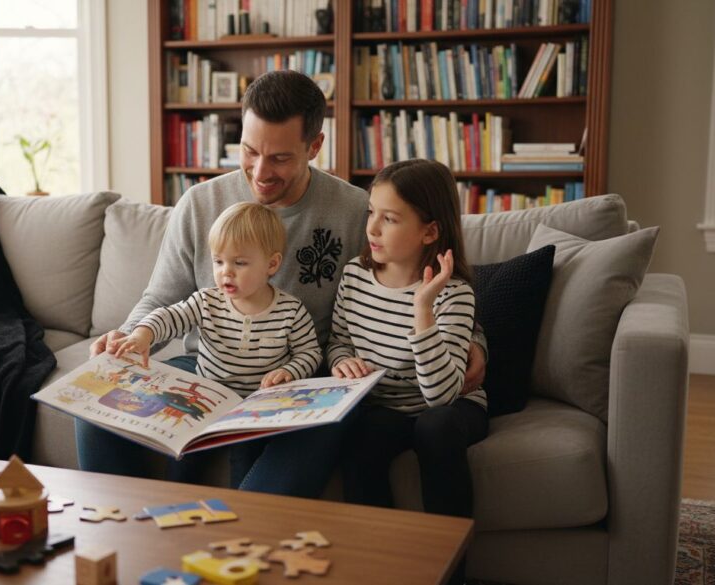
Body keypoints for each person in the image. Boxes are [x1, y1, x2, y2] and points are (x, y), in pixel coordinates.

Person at [82, 70, 486, 496]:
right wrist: (127, 340)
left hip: (304, 376)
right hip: (207, 365)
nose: (260, 172)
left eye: (279, 158)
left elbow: (422, 275)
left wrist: (473, 340)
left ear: (314, 147)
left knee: (334, 431)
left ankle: (243, 537)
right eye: (250, 151)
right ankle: (127, 531)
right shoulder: (201, 204)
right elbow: (162, 298)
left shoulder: (355, 211)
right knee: (96, 411)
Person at [329, 159, 488, 584]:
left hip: (451, 406)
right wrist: (341, 360)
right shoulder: (355, 276)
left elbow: (441, 395)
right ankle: (381, 567)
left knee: (434, 427)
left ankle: (451, 570)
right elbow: (339, 339)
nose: (373, 229)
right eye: (371, 214)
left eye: (390, 218)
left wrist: (422, 308)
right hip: (387, 406)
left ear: (430, 231)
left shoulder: (454, 295)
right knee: (361, 438)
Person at [110, 201, 322, 392]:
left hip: (264, 402)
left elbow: (310, 353)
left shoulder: (291, 311)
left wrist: (290, 371)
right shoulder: (205, 302)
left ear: (272, 264)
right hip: (207, 394)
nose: (225, 272)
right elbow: (168, 317)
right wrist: (142, 334)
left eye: (239, 263)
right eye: (218, 261)